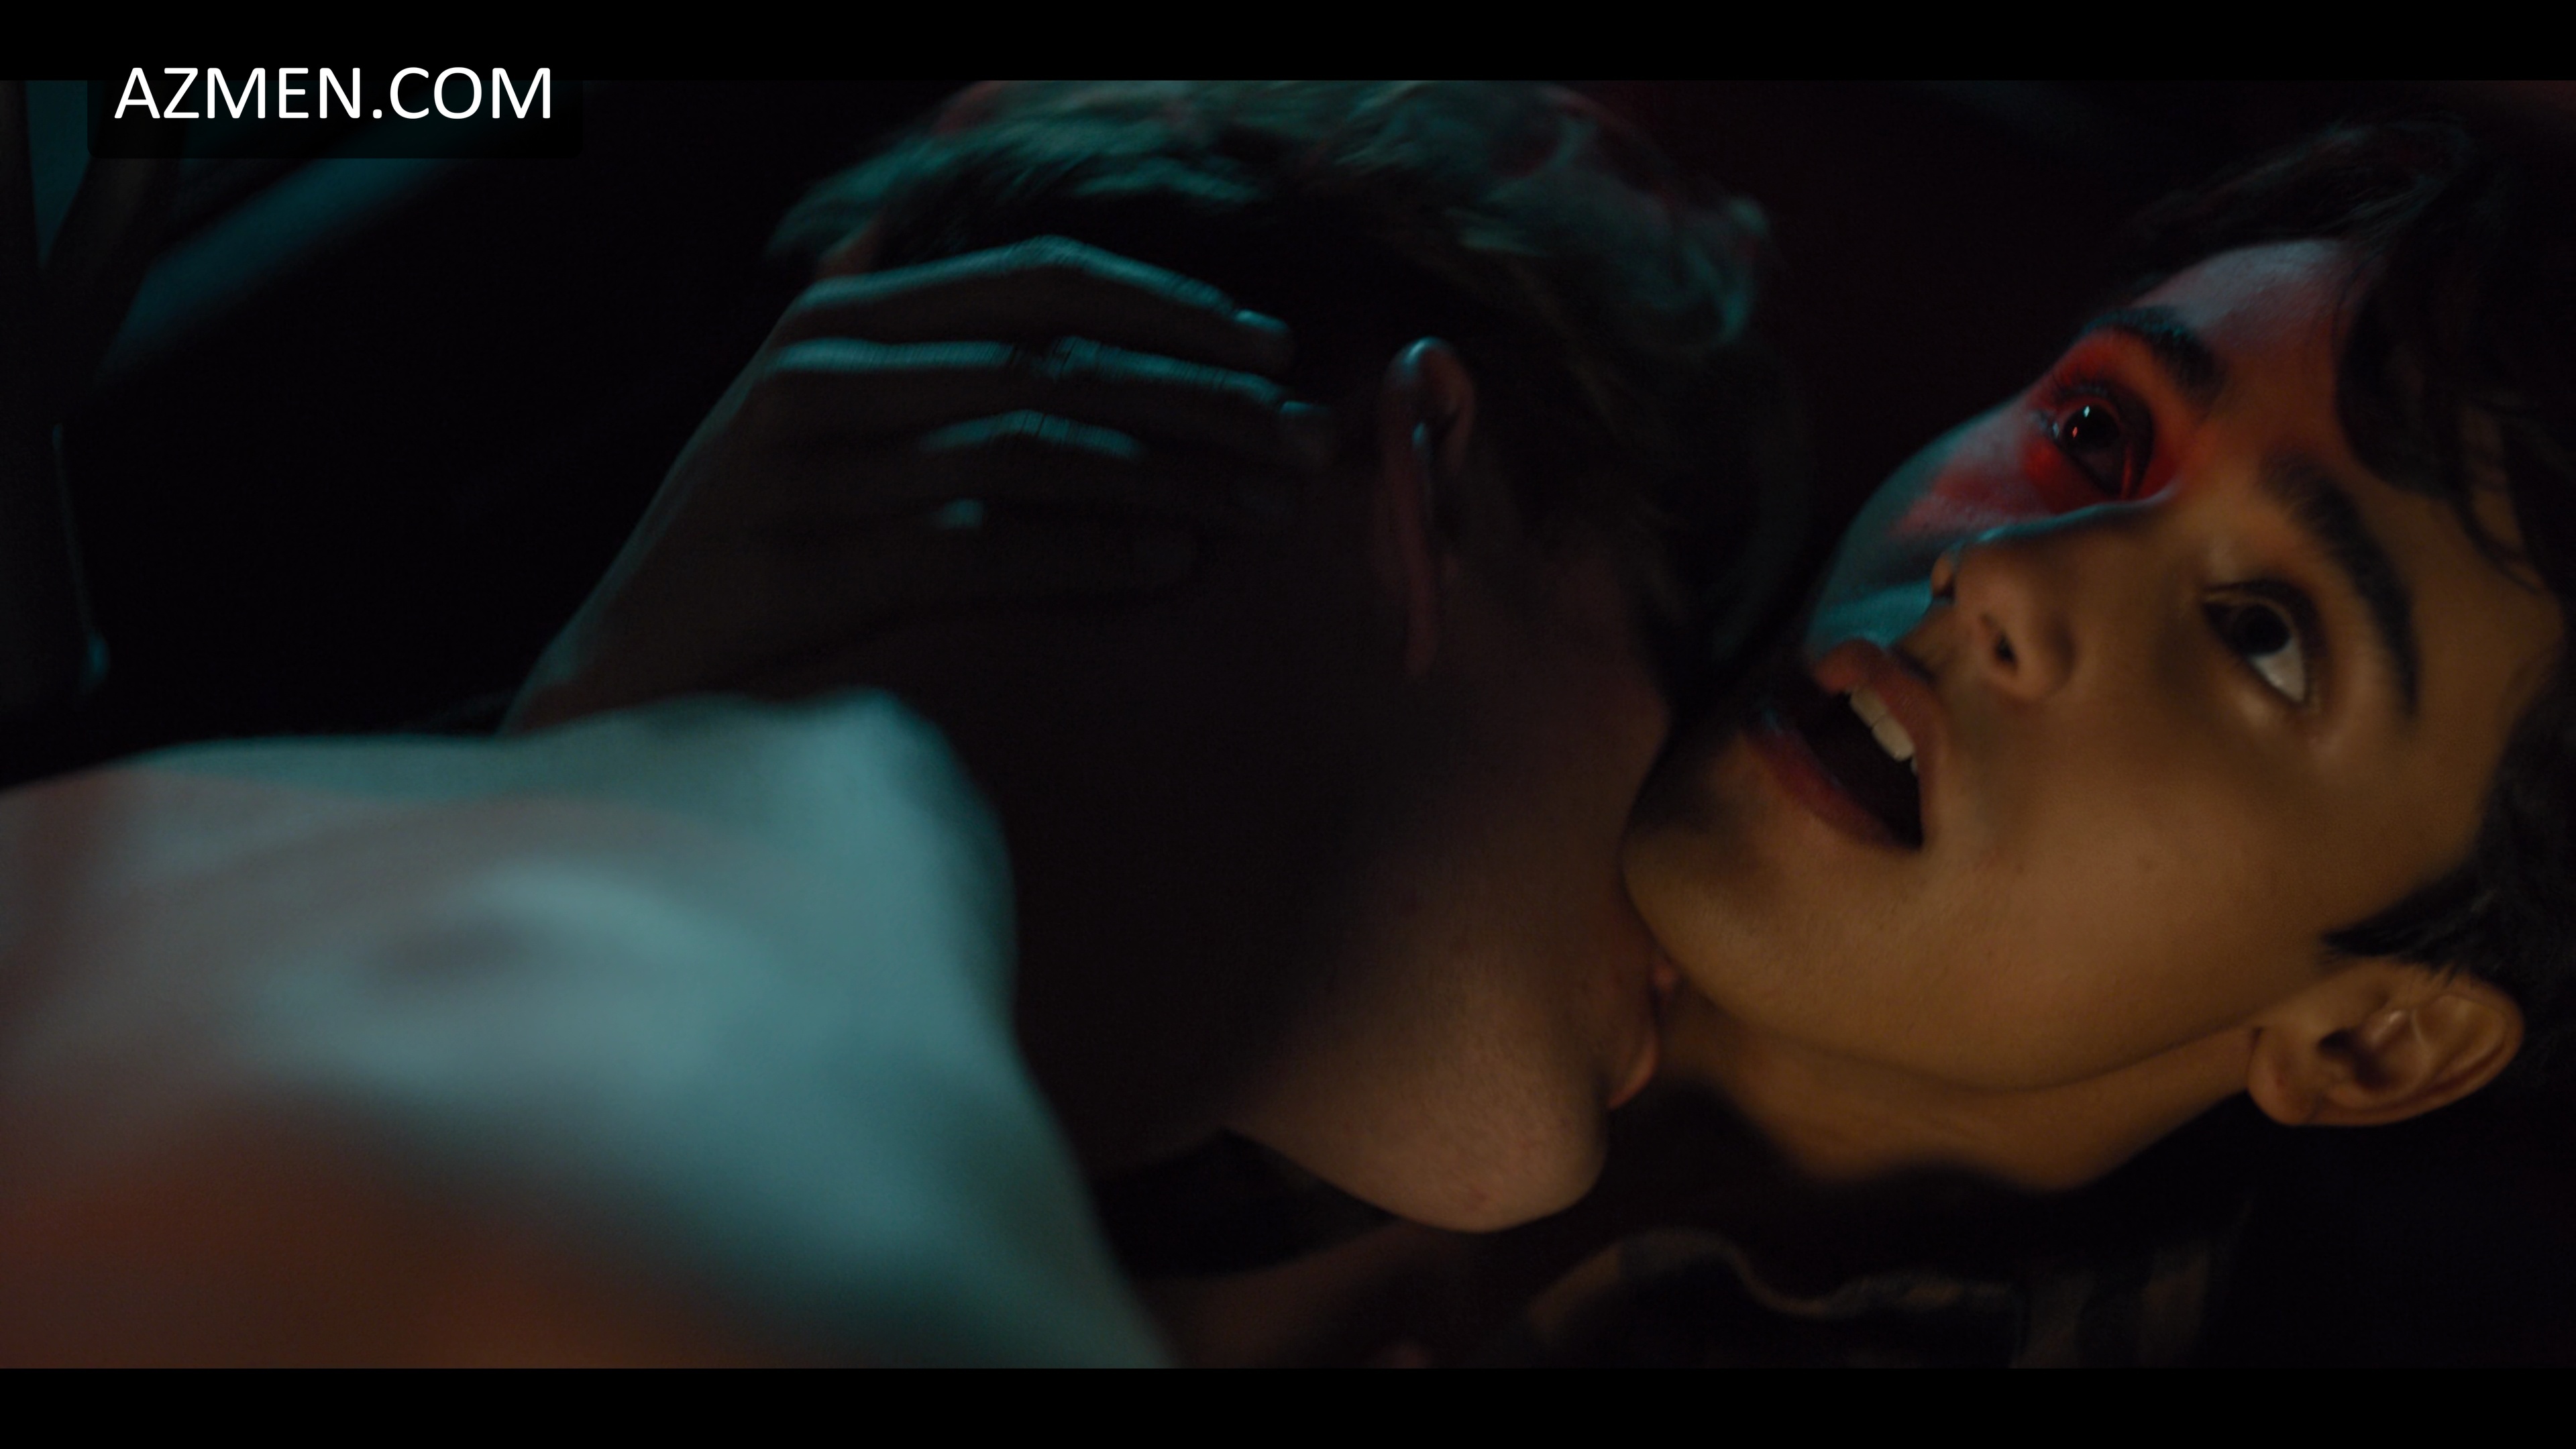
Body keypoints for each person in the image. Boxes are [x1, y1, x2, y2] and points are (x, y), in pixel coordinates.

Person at [0, 81, 1799, 1363]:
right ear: (1432, 476)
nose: (1691, 854)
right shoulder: (807, 1238)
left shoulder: (139, 860)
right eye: (1666, 642)